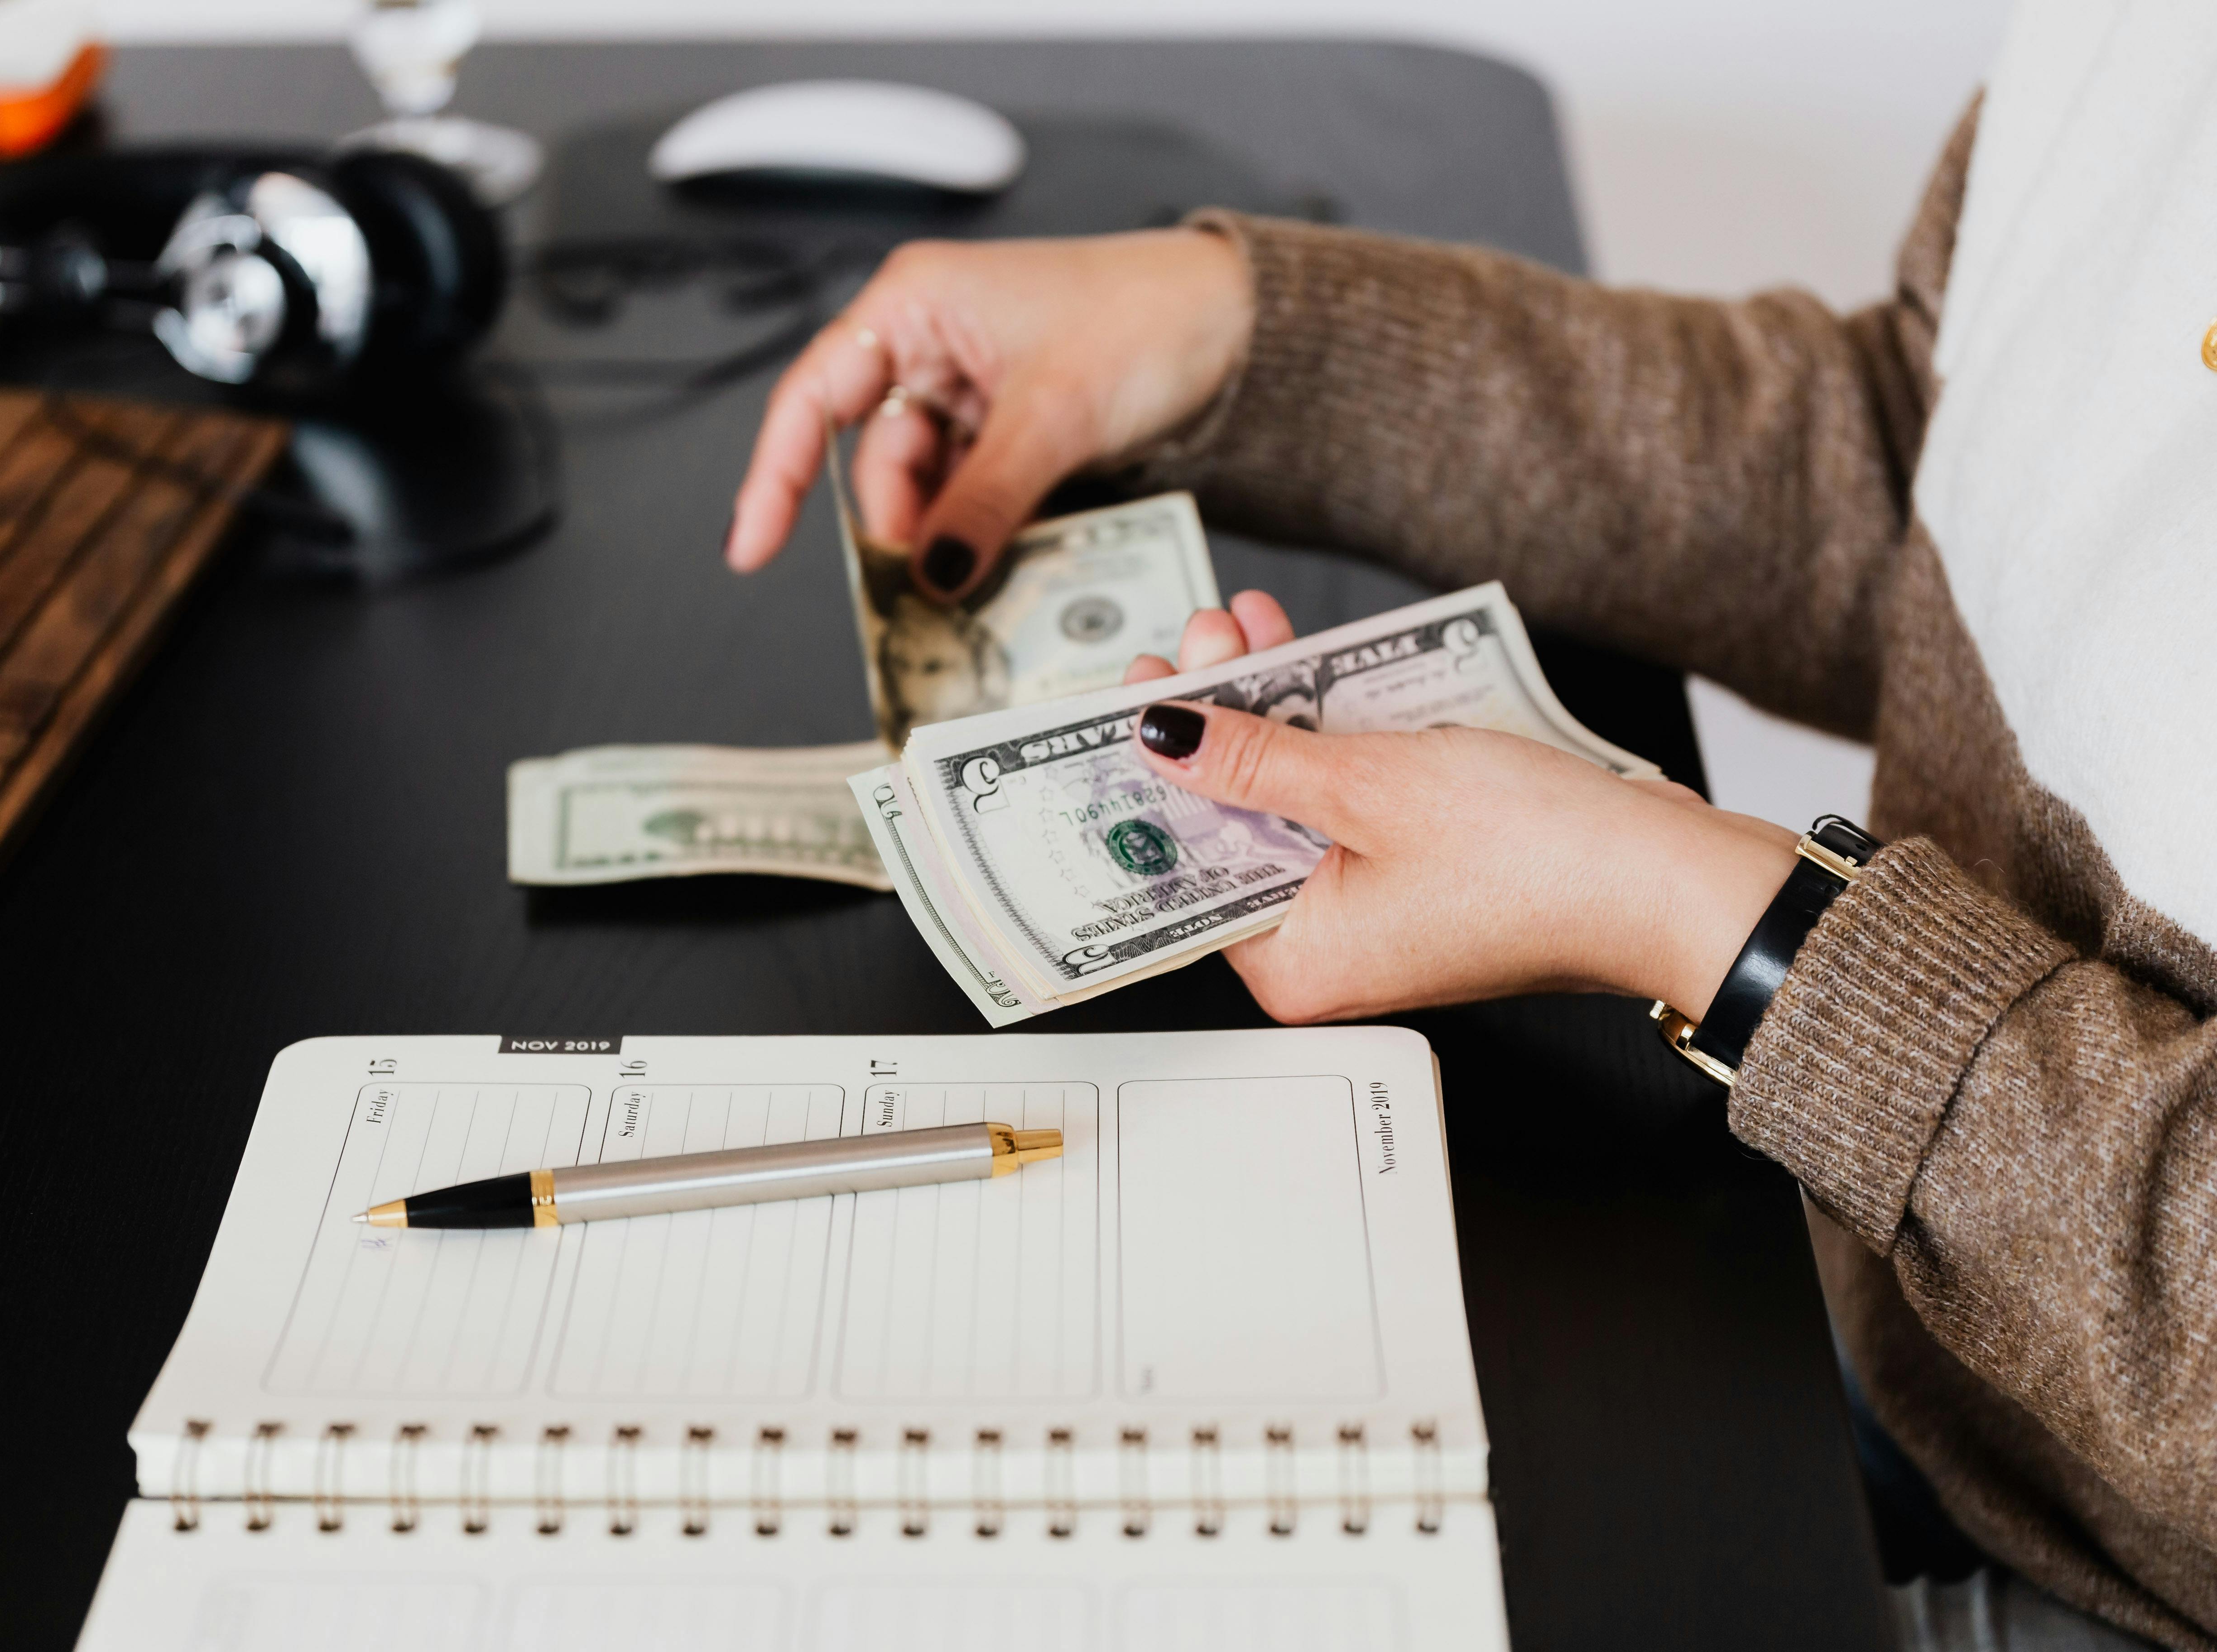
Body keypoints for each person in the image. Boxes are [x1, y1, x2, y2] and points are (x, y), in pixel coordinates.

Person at [724, 8, 2217, 1647]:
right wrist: (1232, 332)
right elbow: (1924, 469)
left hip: (2110, 1576)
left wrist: (1699, 921)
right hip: (1873, 1312)